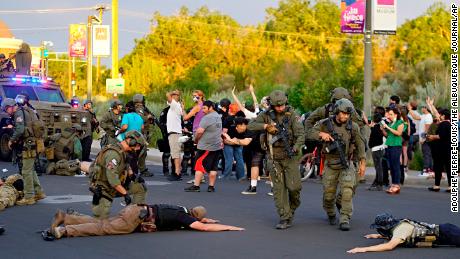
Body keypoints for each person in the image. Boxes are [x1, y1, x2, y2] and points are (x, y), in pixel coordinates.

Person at [248, 90, 304, 229]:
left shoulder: (292, 115)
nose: (280, 108)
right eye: (277, 106)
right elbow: (250, 125)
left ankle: (292, 208)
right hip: (273, 158)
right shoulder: (266, 115)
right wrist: (266, 126)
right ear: (272, 105)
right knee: (279, 190)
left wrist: (296, 147)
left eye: (282, 105)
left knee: (294, 188)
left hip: (290, 157)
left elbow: (300, 134)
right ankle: (284, 217)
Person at [309, 98, 366, 231]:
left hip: (346, 162)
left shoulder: (353, 127)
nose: (345, 116)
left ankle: (345, 218)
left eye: (347, 114)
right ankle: (331, 213)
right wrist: (320, 134)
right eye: (342, 113)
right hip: (330, 164)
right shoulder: (325, 124)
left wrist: (362, 163)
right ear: (336, 111)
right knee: (329, 196)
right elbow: (309, 133)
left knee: (347, 191)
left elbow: (360, 145)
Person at [46, 203, 244, 240]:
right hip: (136, 219)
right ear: (194, 216)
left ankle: (67, 217)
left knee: (105, 221)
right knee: (103, 228)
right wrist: (229, 227)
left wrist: (209, 219)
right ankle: (66, 230)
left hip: (136, 208)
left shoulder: (180, 209)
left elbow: (202, 220)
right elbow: (202, 227)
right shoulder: (184, 218)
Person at [88, 130, 148, 219]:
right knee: (100, 221)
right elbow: (112, 180)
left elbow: (126, 164)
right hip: (104, 189)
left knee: (140, 187)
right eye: (138, 145)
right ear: (131, 141)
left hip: (116, 186)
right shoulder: (113, 154)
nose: (138, 148)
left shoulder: (124, 151)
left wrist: (132, 176)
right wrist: (125, 194)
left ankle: (136, 216)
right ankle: (70, 218)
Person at [347, 213, 460, 253]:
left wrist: (363, 249)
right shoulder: (398, 225)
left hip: (447, 233)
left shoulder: (401, 229)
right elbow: (393, 234)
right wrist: (378, 236)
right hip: (445, 231)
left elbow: (389, 246)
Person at [8, 94, 46, 205]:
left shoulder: (19, 113)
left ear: (11, 106)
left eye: (7, 109)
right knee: (31, 169)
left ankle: (29, 196)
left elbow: (20, 130)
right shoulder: (26, 110)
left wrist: (11, 140)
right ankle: (39, 192)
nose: (7, 112)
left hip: (28, 144)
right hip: (33, 142)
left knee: (26, 171)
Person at [184, 101, 222, 192]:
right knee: (213, 167)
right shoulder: (218, 116)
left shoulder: (207, 118)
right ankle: (211, 187)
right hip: (216, 146)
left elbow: (199, 131)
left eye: (204, 108)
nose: (203, 110)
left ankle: (196, 186)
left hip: (205, 146)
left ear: (211, 107)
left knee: (199, 165)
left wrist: (196, 140)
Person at [381, 107, 405, 194]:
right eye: (388, 114)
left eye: (391, 114)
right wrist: (383, 129)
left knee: (396, 166)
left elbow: (399, 133)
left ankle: (396, 185)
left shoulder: (400, 122)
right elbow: (389, 135)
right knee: (391, 166)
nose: (389, 116)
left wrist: (388, 127)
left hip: (396, 146)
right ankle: (393, 184)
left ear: (396, 114)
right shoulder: (391, 123)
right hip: (390, 145)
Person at [427, 109, 452, 192]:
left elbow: (441, 136)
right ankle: (451, 186)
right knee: (449, 168)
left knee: (438, 167)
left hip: (441, 149)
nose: (439, 116)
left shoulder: (443, 124)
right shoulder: (450, 124)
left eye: (440, 115)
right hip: (449, 148)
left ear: (444, 116)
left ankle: (436, 185)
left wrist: (432, 137)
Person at [133, 94, 156, 177]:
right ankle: (141, 169)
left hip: (143, 132)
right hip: (141, 133)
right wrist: (148, 117)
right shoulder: (139, 108)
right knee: (141, 152)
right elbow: (140, 118)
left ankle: (139, 168)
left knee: (142, 152)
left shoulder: (142, 108)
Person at [408, 104, 434, 175]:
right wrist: (410, 110)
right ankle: (430, 170)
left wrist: (423, 138)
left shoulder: (428, 116)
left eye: (422, 107)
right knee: (427, 153)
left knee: (426, 154)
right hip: (424, 138)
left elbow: (427, 128)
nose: (421, 109)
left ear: (426, 108)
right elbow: (415, 117)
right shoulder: (423, 116)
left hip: (426, 139)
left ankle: (426, 170)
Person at [166, 90, 184, 181]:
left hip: (174, 133)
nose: (172, 96)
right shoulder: (174, 106)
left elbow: (167, 94)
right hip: (175, 133)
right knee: (176, 154)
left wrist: (172, 92)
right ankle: (177, 172)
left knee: (175, 154)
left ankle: (177, 173)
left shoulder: (175, 105)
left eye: (174, 95)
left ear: (177, 96)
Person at [367, 106, 386, 191]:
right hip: (381, 148)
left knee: (378, 167)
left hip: (376, 149)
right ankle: (378, 182)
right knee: (379, 167)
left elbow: (372, 139)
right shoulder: (379, 127)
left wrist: (370, 145)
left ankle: (380, 183)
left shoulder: (375, 128)